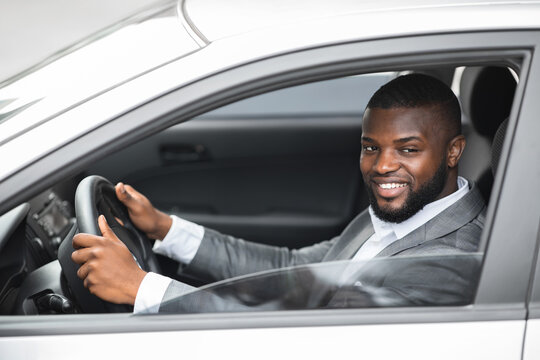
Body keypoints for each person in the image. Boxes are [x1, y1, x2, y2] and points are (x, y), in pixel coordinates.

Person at [71, 73, 486, 313]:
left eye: (408, 150)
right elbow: (292, 270)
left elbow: (305, 346)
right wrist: (165, 228)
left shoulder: (449, 261)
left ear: (453, 151)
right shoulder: (402, 215)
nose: (381, 166)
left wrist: (141, 288)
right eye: (370, 147)